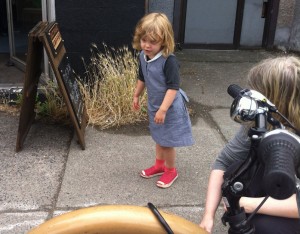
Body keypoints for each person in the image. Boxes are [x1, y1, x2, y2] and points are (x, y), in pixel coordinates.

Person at [199, 56, 300, 233]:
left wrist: (246, 204)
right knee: (234, 172)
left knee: (262, 226)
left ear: (274, 99)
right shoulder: (260, 121)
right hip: (277, 190)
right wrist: (208, 216)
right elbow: (223, 163)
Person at [132, 12, 194, 188]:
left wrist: (163, 109)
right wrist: (136, 94)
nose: (147, 45)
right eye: (144, 40)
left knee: (167, 143)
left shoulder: (169, 61)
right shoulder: (143, 57)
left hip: (169, 108)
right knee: (159, 138)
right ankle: (159, 166)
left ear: (164, 41)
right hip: (155, 106)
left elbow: (173, 87)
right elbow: (142, 77)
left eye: (153, 42)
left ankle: (170, 170)